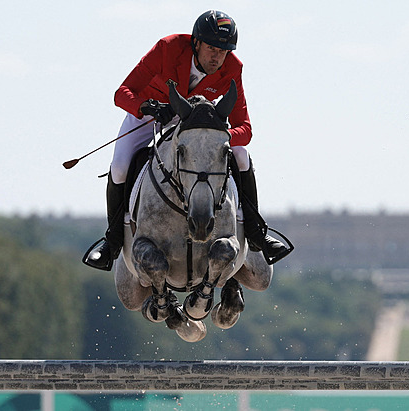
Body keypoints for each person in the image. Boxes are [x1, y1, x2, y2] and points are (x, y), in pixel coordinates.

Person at [84, 10, 291, 271]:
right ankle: (111, 243)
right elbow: (122, 93)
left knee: (240, 155)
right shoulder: (167, 48)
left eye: (223, 51)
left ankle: (256, 232)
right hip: (148, 115)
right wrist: (148, 107)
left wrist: (222, 136)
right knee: (121, 167)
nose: (217, 57)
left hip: (195, 123)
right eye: (211, 48)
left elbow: (245, 128)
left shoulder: (233, 68)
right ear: (196, 43)